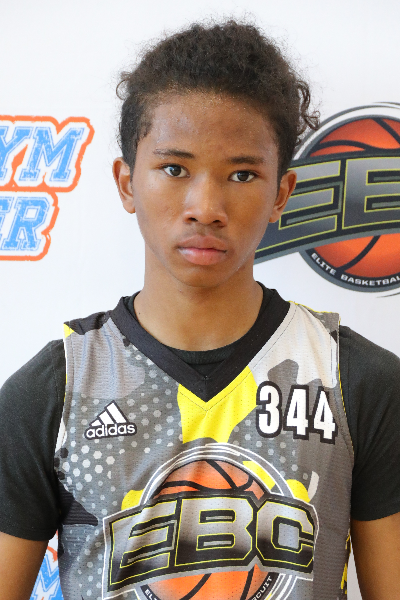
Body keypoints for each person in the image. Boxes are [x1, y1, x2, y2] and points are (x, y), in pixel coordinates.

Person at [0, 20, 399, 600]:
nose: (206, 206)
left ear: (281, 193)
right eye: (174, 168)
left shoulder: (357, 381)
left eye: (242, 174)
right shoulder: (55, 390)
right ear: (126, 182)